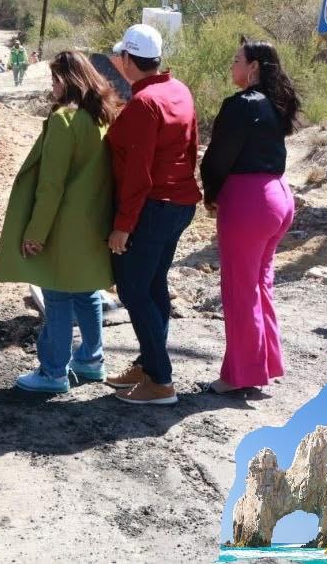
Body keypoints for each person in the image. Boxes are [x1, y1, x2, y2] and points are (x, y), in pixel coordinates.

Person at [0, 51, 118, 393]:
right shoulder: (102, 117)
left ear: (68, 81)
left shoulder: (65, 121)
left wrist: (35, 232)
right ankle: (92, 361)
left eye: (55, 80)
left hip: (63, 227)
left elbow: (51, 186)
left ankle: (53, 372)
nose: (52, 87)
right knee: (86, 291)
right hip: (93, 223)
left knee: (58, 296)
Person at [104, 23, 201, 406]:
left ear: (128, 59)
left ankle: (160, 380)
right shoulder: (177, 90)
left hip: (152, 209)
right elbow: (191, 148)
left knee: (132, 289)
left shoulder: (144, 104)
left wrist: (123, 226)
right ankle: (148, 364)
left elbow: (138, 173)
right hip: (179, 204)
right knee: (154, 285)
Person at [200, 40, 299, 395]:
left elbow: (218, 158)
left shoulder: (241, 106)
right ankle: (265, 364)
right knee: (260, 284)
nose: (232, 65)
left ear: (254, 66)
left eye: (237, 59)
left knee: (240, 290)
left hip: (250, 202)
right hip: (279, 197)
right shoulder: (276, 103)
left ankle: (239, 375)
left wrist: (210, 193)